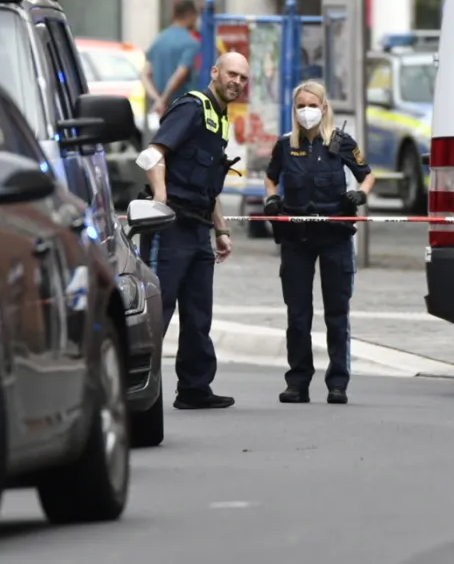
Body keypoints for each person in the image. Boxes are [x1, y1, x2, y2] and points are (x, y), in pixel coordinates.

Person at [139, 51, 250, 410]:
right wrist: (160, 199)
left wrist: (221, 231)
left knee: (198, 311)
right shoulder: (193, 107)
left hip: (199, 227)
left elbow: (210, 184)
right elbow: (152, 155)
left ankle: (194, 388)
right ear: (215, 72)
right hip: (170, 226)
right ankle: (138, 389)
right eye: (231, 74)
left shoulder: (220, 120)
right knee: (158, 309)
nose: (236, 82)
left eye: (243, 78)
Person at [263, 80, 375, 405]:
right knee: (298, 314)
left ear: (324, 108)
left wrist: (360, 193)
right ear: (294, 110)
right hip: (297, 237)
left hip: (334, 236)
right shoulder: (285, 145)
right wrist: (272, 200)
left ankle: (337, 383)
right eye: (301, 106)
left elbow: (367, 173)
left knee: (336, 313)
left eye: (312, 105)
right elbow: (271, 177)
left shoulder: (340, 143)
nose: (306, 111)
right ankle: (297, 382)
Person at [143, 0, 201, 119]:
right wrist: (163, 99)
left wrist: (156, 100)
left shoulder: (158, 40)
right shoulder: (190, 43)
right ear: (190, 15)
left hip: (158, 111)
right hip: (181, 110)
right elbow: (180, 74)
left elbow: (145, 74)